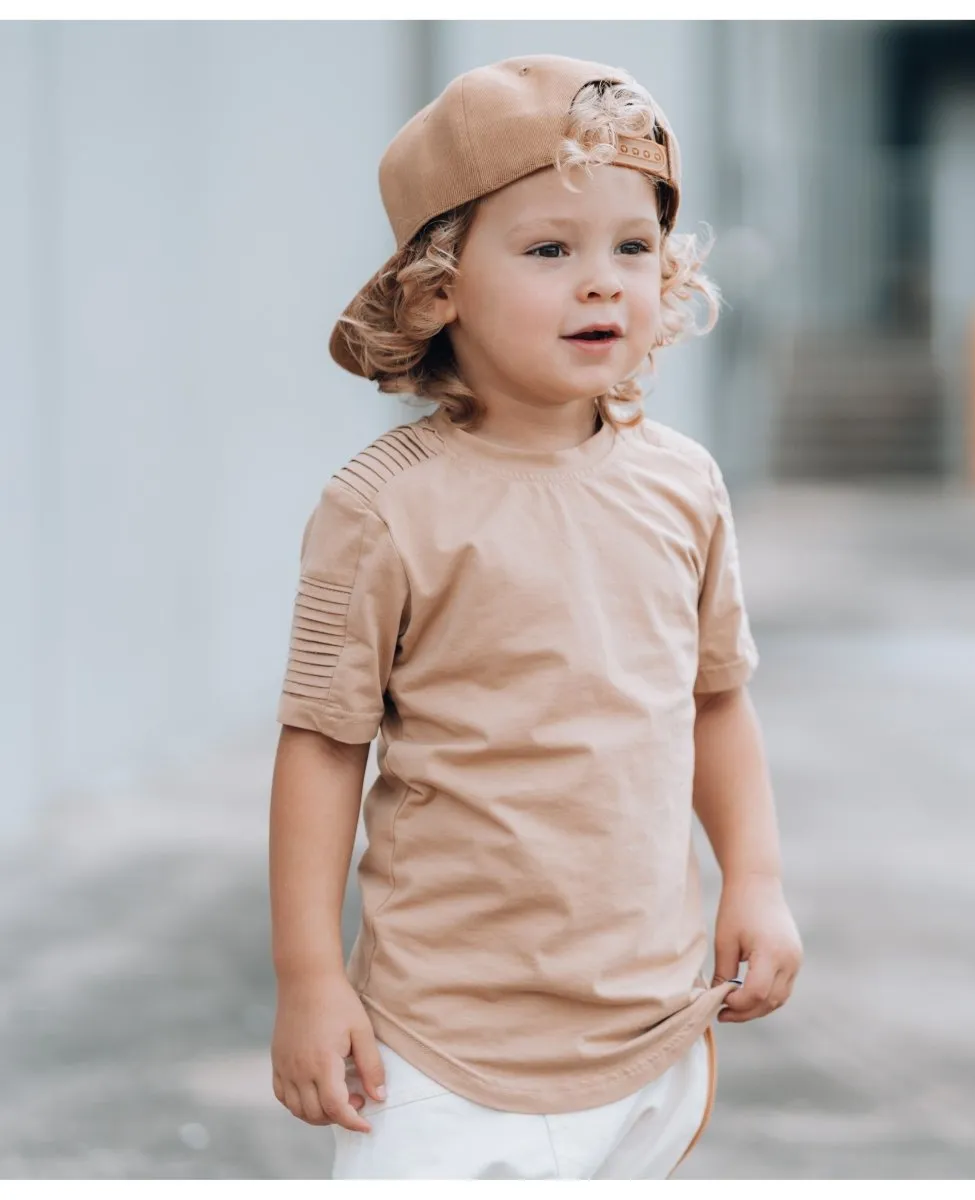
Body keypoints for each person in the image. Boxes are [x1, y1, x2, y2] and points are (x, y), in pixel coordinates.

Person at [268, 53, 803, 1180]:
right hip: (439, 1055)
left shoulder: (684, 486)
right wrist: (311, 979)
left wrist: (754, 877)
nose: (602, 281)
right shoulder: (385, 507)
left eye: (633, 246)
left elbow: (716, 702)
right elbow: (323, 744)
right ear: (439, 285)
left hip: (651, 1033)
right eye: (550, 249)